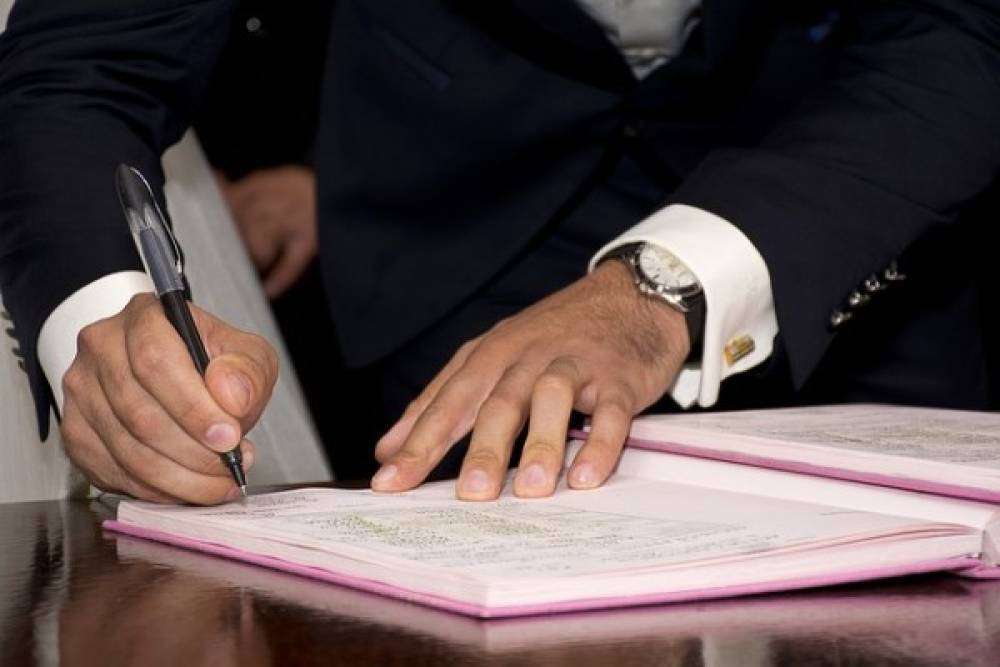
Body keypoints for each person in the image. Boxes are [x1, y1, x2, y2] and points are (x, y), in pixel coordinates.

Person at [0, 1, 997, 505]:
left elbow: (967, 28)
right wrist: (104, 320)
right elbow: (87, 66)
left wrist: (661, 287)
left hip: (858, 228)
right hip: (468, 243)